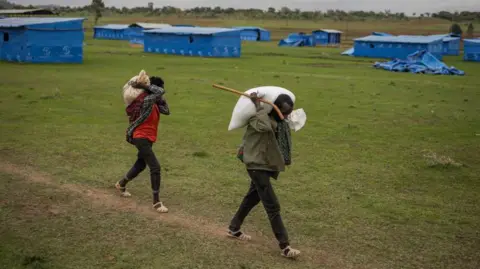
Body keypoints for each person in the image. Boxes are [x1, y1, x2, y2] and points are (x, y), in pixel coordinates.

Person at [227, 92, 301, 259]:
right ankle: (285, 246)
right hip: (255, 166)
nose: (286, 115)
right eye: (284, 111)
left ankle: (234, 228)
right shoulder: (257, 119)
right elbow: (266, 127)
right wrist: (258, 106)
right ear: (274, 108)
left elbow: (281, 123)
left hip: (264, 165)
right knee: (272, 206)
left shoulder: (274, 119)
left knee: (252, 198)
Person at [115, 76, 170, 213]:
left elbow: (167, 111)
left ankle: (121, 184)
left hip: (148, 138)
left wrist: (160, 99)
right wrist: (143, 86)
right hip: (141, 137)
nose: (163, 90)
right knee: (155, 167)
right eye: (162, 87)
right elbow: (158, 92)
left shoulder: (154, 102)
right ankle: (156, 202)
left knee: (141, 163)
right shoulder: (146, 100)